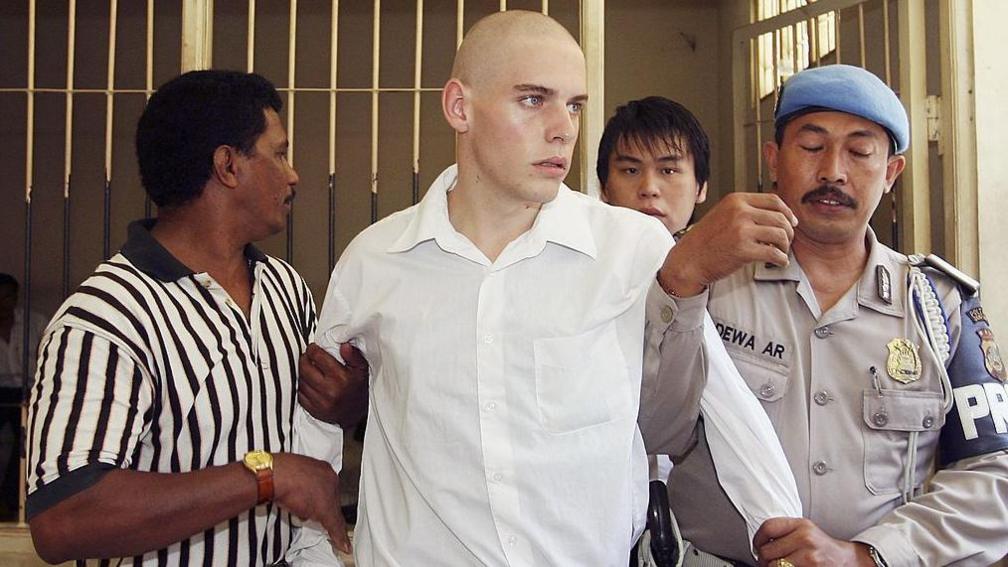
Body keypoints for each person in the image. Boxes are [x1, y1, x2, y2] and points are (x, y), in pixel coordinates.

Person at [289, 11, 796, 566]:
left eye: (575, 105)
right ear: (460, 107)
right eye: (533, 99)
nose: (564, 128)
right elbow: (313, 428)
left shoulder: (631, 248)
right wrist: (316, 551)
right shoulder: (377, 259)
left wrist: (786, 536)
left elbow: (727, 410)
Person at [660, 64, 1008, 566]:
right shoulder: (708, 282)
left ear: (891, 173)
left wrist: (869, 555)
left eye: (861, 152)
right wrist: (683, 280)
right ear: (774, 159)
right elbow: (648, 426)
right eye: (812, 146)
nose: (833, 172)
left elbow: (993, 475)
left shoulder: (938, 305)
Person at [25, 70, 365, 566]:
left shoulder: (283, 288)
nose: (293, 176)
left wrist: (348, 404)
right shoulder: (105, 320)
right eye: (279, 153)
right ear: (228, 165)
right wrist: (265, 476)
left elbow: (306, 426)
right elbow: (64, 520)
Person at [597, 97, 801, 564]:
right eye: (629, 171)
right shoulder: (582, 279)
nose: (649, 189)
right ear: (604, 188)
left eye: (669, 171)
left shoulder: (737, 282)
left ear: (702, 186)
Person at [0, 273, 46, 518]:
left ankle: (16, 500)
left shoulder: (35, 323)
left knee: (29, 446)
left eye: (8, 297)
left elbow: (49, 361)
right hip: (1, 393)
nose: (3, 303)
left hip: (30, 390)